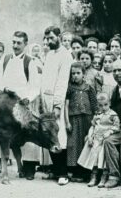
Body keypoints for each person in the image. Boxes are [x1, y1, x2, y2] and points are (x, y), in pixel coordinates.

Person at [0, 31, 41, 180]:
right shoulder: (5, 59)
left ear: (25, 44)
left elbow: (35, 86)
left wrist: (28, 98)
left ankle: (29, 167)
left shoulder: (30, 61)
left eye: (19, 43)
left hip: (23, 103)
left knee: (27, 135)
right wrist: (5, 89)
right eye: (13, 42)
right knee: (2, 132)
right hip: (6, 102)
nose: (15, 45)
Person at [41, 25, 74, 185]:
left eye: (51, 38)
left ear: (59, 37)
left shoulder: (66, 56)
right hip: (45, 99)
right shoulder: (50, 54)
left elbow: (62, 82)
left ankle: (63, 173)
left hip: (56, 100)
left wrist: (57, 105)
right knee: (48, 133)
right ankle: (54, 170)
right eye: (46, 38)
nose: (48, 41)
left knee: (58, 136)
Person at [78, 92, 120, 188]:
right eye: (100, 105)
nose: (103, 107)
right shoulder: (97, 115)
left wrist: (108, 133)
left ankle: (104, 176)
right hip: (96, 139)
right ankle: (94, 176)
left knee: (103, 157)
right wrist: (90, 136)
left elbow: (116, 127)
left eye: (105, 105)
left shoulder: (113, 115)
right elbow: (93, 127)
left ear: (109, 103)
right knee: (94, 157)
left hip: (105, 138)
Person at [65, 62, 97, 182]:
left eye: (78, 73)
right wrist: (67, 122)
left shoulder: (89, 88)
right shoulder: (70, 88)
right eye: (73, 73)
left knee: (86, 144)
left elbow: (94, 105)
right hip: (74, 118)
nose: (75, 75)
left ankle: (85, 172)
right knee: (74, 145)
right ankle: (74, 170)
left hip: (87, 119)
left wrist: (95, 119)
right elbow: (66, 106)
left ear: (83, 74)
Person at [101, 59, 121, 188]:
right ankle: (114, 175)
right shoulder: (116, 89)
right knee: (108, 141)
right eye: (114, 71)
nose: (116, 73)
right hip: (120, 129)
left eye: (119, 70)